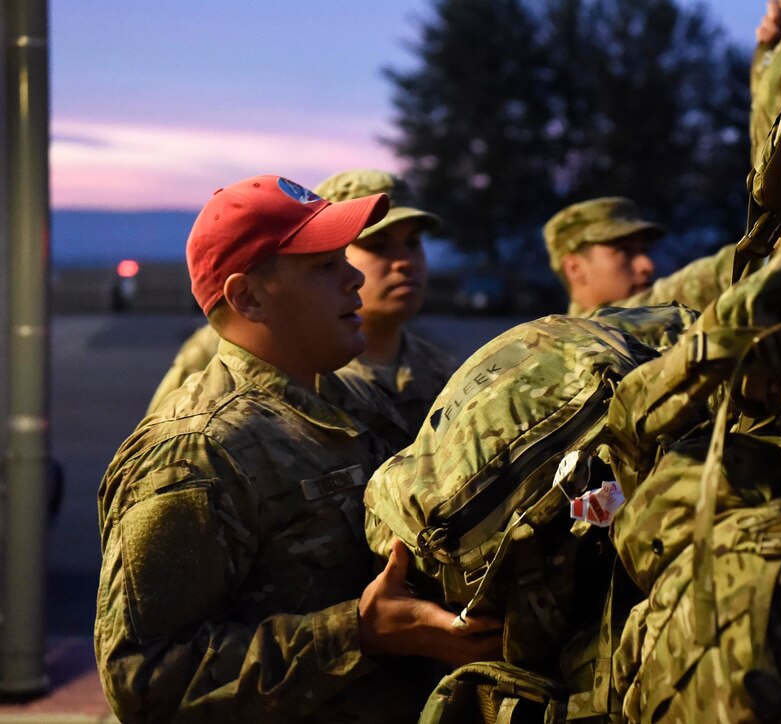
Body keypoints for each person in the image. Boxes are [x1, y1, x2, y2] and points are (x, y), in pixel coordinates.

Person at [95, 175, 500, 723]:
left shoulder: (354, 399)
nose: (355, 277)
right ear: (249, 297)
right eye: (325, 266)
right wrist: (357, 633)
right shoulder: (196, 451)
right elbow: (145, 681)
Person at [145, 170, 458, 434]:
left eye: (414, 243)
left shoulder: (439, 373)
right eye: (326, 263)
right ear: (249, 297)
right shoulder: (202, 437)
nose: (404, 262)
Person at [315, 169, 459, 432]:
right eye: (379, 246)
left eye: (413, 242)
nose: (405, 262)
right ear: (330, 257)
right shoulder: (306, 379)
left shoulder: (449, 377)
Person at [543, 196, 736, 317]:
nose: (647, 265)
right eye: (624, 251)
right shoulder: (566, 343)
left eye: (644, 250)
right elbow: (703, 281)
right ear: (575, 269)